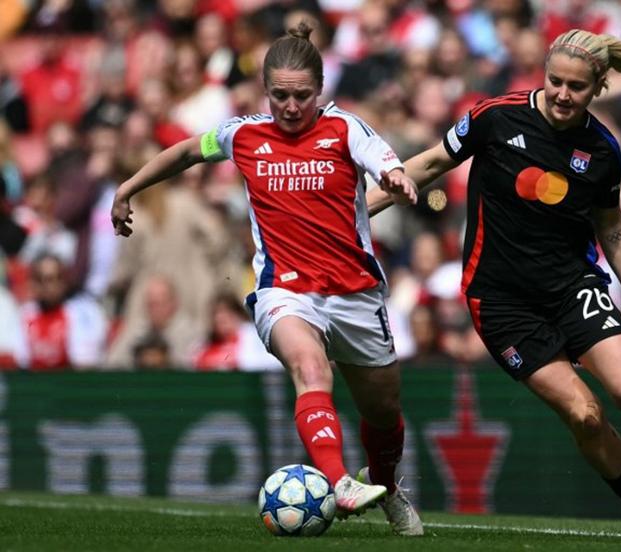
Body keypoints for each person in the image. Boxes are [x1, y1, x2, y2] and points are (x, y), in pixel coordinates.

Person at [368, 29, 621, 539]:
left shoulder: (602, 149)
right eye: (555, 81)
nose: (563, 94)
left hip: (572, 286)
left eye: (576, 86)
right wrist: (356, 212)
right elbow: (430, 163)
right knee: (585, 415)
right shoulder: (496, 117)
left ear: (598, 87)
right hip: (501, 303)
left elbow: (610, 224)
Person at [111, 22, 423, 536]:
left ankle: (385, 485)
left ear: (319, 91)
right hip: (285, 291)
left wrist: (395, 176)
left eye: (302, 96)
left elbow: (382, 160)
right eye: (280, 96)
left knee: (384, 411)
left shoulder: (345, 128)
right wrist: (128, 188)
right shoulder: (242, 134)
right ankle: (339, 481)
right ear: (265, 91)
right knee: (310, 368)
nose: (291, 107)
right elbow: (187, 152)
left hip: (354, 293)